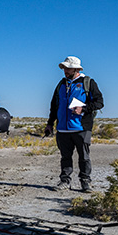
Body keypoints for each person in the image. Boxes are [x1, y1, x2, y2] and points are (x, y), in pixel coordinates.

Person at [44, 56, 104, 192]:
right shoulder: (61, 84)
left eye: (68, 68)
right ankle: (65, 181)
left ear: (76, 69)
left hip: (81, 128)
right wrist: (49, 124)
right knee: (65, 157)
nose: (65, 70)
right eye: (64, 68)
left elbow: (99, 102)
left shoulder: (88, 82)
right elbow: (54, 106)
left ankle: (85, 182)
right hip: (62, 129)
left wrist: (83, 109)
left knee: (84, 157)